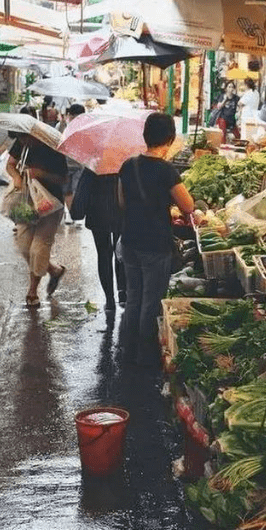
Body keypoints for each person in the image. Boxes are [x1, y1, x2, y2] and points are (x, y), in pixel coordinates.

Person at [118, 113, 194, 368]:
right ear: (170, 139)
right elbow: (188, 205)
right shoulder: (166, 170)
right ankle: (145, 355)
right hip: (154, 243)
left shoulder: (128, 165)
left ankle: (127, 349)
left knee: (133, 297)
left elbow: (122, 202)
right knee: (150, 301)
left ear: (145, 136)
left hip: (129, 240)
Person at [6, 134, 67, 307]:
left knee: (39, 248)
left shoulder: (53, 147)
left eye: (26, 139)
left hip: (51, 204)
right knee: (24, 246)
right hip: (27, 202)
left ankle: (32, 291)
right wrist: (17, 177)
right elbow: (10, 164)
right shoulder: (21, 143)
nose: (23, 142)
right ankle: (54, 270)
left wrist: (42, 174)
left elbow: (63, 179)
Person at [82, 171, 126, 312]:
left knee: (104, 254)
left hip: (97, 211)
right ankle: (122, 291)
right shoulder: (126, 162)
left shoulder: (94, 163)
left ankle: (109, 299)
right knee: (122, 253)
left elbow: (83, 187)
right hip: (121, 210)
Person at [62, 103, 85, 222]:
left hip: (79, 164)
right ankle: (71, 214)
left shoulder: (85, 128)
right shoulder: (62, 127)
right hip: (64, 164)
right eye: (74, 117)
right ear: (69, 116)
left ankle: (73, 214)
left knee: (76, 190)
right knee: (67, 190)